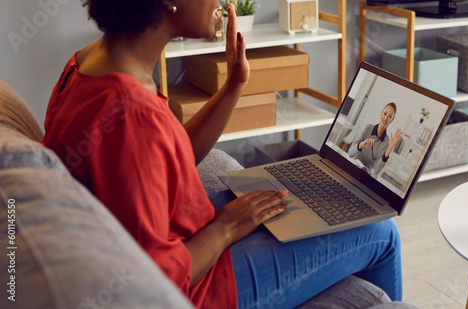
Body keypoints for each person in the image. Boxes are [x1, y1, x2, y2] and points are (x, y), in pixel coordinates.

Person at [42, 1, 403, 308]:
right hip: (201, 287)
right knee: (380, 229)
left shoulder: (87, 64)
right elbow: (155, 278)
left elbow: (170, 157)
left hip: (181, 235)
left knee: (314, 198)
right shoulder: (132, 113)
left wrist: (235, 84)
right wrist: (226, 227)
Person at [348, 103, 403, 175]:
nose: (385, 118)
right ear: (381, 114)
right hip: (351, 167)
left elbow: (376, 171)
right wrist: (361, 144)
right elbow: (350, 153)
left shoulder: (386, 142)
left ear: (392, 120)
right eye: (385, 113)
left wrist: (389, 149)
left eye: (390, 116)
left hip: (364, 175)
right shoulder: (368, 128)